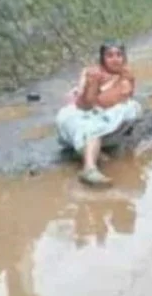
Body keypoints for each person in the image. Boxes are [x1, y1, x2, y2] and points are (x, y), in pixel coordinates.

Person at [55, 41, 143, 187]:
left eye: (119, 55)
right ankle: (89, 168)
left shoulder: (126, 76)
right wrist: (92, 85)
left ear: (124, 57)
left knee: (125, 111)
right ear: (102, 58)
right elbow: (85, 105)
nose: (115, 59)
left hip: (110, 115)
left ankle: (88, 157)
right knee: (87, 125)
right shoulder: (91, 73)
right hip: (83, 113)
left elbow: (117, 101)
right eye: (109, 55)